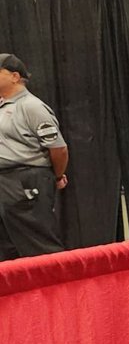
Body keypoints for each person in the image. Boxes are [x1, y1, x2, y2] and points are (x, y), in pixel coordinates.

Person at [0, 53, 68, 259]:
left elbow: (58, 148)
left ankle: (58, 287)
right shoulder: (3, 107)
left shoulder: (32, 106)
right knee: (7, 244)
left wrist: (56, 175)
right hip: (5, 181)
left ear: (14, 76)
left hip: (26, 178)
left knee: (39, 241)